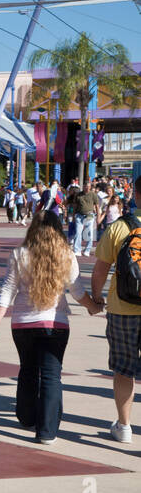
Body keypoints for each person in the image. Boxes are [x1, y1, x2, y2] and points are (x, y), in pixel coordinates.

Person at [0, 211, 96, 444]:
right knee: (51, 375)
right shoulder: (66, 254)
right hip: (55, 323)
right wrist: (94, 307)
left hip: (22, 324)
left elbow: (8, 290)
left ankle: (27, 418)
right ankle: (47, 431)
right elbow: (78, 292)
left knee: (27, 370)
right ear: (58, 228)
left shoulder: (20, 254)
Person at [87, 182, 141, 445]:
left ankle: (124, 426)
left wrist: (96, 299)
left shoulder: (119, 227)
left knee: (123, 370)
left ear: (136, 195)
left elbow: (100, 270)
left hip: (123, 308)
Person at [71, 183, 100, 257]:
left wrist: (98, 217)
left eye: (88, 186)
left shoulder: (93, 195)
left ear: (90, 187)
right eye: (85, 186)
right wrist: (73, 216)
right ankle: (77, 250)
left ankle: (87, 250)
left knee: (89, 234)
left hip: (89, 215)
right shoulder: (78, 195)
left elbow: (97, 206)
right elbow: (75, 206)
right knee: (78, 233)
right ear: (83, 187)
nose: (86, 188)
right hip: (79, 215)